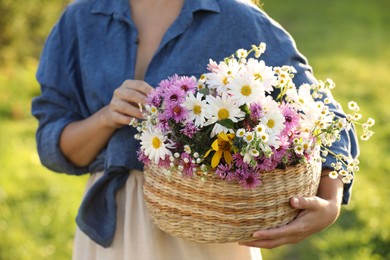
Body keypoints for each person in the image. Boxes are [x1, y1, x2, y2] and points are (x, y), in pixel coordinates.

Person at [31, 0, 358, 259]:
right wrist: (105, 119)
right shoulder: (80, 19)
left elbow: (325, 115)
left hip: (212, 225)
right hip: (114, 230)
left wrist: (329, 204)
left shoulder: (237, 18)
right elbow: (54, 146)